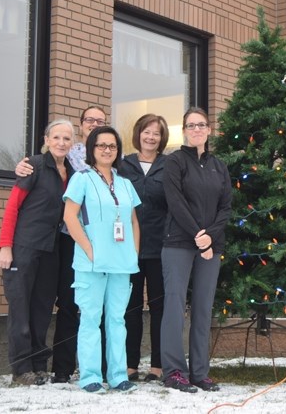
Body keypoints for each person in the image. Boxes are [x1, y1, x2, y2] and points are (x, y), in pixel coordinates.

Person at [14, 105, 107, 383]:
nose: (94, 124)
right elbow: (40, 173)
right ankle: (62, 368)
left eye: (100, 120)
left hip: (102, 240)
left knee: (95, 303)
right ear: (81, 125)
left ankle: (98, 365)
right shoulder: (69, 156)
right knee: (67, 302)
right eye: (90, 119)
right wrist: (22, 165)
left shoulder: (112, 155)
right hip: (66, 238)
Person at [63, 126, 141, 393]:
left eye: (112, 146)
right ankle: (90, 377)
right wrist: (89, 250)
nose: (107, 150)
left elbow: (132, 221)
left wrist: (133, 253)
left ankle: (118, 376)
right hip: (91, 263)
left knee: (117, 320)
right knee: (90, 319)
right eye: (101, 145)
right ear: (91, 149)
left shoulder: (126, 183)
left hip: (121, 264)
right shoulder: (81, 179)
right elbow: (69, 217)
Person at [0, 119, 75, 386]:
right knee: (20, 310)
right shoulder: (34, 166)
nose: (61, 143)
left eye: (66, 139)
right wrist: (5, 246)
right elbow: (12, 207)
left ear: (72, 143)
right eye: (57, 138)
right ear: (47, 139)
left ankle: (39, 365)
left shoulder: (72, 172)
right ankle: (21, 370)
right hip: (24, 248)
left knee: (41, 310)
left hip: (51, 250)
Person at [160, 107, 232, 393]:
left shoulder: (219, 166)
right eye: (191, 125)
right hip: (178, 242)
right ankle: (174, 371)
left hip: (210, 248)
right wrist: (197, 234)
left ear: (209, 130)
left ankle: (200, 372)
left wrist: (210, 238)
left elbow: (225, 207)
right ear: (184, 131)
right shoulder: (175, 162)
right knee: (175, 307)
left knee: (203, 308)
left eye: (201, 125)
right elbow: (175, 201)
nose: (197, 129)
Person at [118, 114, 169, 383]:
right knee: (131, 308)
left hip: (161, 249)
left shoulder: (169, 166)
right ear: (138, 134)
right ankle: (130, 364)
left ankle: (158, 366)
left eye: (156, 133)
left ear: (162, 139)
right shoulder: (124, 165)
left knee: (160, 307)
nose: (151, 137)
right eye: (147, 132)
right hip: (130, 248)